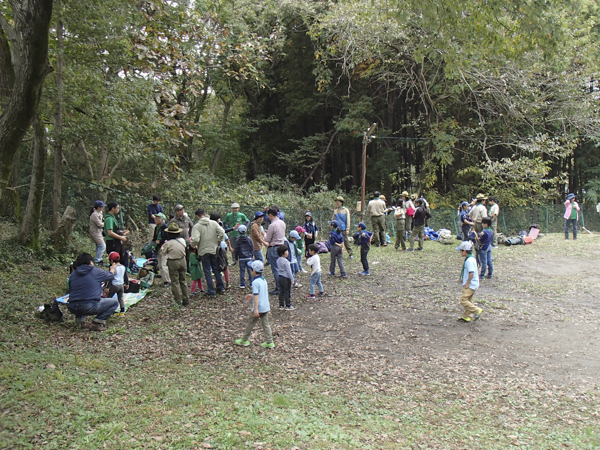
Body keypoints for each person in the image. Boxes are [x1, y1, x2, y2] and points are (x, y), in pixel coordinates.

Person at [67, 253, 118, 331]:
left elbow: (70, 289)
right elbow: (109, 276)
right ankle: (97, 322)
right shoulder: (96, 271)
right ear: (90, 262)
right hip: (89, 306)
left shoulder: (73, 274)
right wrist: (112, 270)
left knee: (81, 296)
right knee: (114, 302)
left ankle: (80, 321)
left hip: (72, 306)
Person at [235, 260, 274, 348]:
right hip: (265, 306)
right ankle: (269, 341)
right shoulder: (263, 280)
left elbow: (257, 296)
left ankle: (244, 340)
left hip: (258, 307)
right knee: (266, 324)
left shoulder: (255, 282)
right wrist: (251, 295)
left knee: (250, 323)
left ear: (253, 270)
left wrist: (255, 309)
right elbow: (260, 293)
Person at [191, 209, 225, 296]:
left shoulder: (197, 226)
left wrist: (193, 245)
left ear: (197, 216)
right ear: (205, 214)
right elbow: (222, 232)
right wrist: (218, 240)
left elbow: (195, 239)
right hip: (213, 250)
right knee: (216, 269)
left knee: (207, 271)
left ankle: (211, 290)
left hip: (203, 251)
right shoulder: (213, 223)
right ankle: (220, 287)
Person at [160, 222, 190, 306]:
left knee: (175, 281)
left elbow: (163, 253)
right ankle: (186, 298)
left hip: (173, 262)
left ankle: (178, 301)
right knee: (183, 280)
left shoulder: (168, 243)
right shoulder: (182, 240)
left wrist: (162, 248)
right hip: (182, 260)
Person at [455, 241, 482, 323]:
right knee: (469, 300)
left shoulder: (469, 260)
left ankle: (476, 310)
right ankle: (465, 316)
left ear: (465, 251)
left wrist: (468, 283)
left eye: (461, 250)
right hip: (474, 283)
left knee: (463, 300)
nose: (460, 252)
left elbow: (471, 272)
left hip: (470, 284)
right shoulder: (471, 258)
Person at [264, 207, 286, 295]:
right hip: (281, 246)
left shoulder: (272, 225)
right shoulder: (282, 222)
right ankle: (284, 286)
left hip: (273, 248)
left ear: (270, 215)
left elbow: (268, 239)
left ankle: (278, 288)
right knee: (281, 268)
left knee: (276, 269)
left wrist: (265, 234)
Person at [152, 212, 171, 287]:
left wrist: (160, 241)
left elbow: (167, 238)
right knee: (160, 265)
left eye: (157, 219)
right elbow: (154, 237)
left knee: (163, 265)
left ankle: (168, 281)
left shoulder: (165, 227)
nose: (155, 220)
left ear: (161, 220)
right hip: (158, 248)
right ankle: (164, 280)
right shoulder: (156, 227)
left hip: (164, 248)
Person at [276, 245, 295, 310]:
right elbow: (289, 271)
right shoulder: (286, 262)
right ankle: (288, 305)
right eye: (286, 251)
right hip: (286, 278)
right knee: (287, 291)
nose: (288, 252)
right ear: (282, 253)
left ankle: (281, 305)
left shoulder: (278, 260)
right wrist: (292, 279)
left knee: (281, 291)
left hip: (280, 277)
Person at [89, 200, 106, 265]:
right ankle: (97, 260)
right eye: (102, 206)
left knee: (99, 246)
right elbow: (99, 224)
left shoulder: (100, 212)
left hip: (99, 231)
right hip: (94, 232)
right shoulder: (94, 215)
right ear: (98, 207)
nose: (103, 208)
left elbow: (102, 219)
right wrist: (106, 223)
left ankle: (98, 258)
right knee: (102, 246)